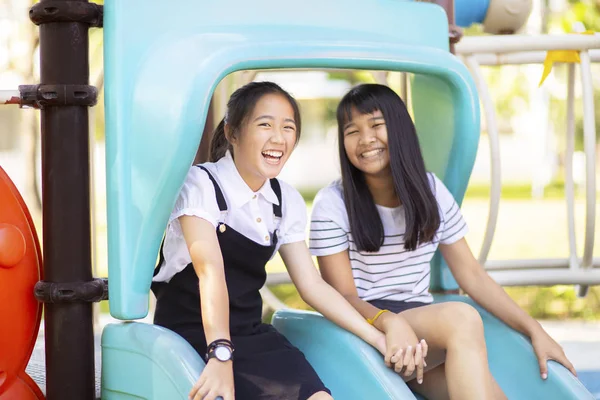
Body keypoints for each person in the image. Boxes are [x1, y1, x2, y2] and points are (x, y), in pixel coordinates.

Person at [151, 81, 423, 400]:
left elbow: (312, 287)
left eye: (288, 127)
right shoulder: (201, 184)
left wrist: (377, 339)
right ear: (232, 132)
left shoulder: (285, 200)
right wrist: (220, 355)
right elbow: (210, 272)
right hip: (191, 337)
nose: (278, 138)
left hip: (250, 337)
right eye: (265, 124)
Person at [309, 83, 577, 400]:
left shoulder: (431, 190)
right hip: (365, 332)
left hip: (423, 334)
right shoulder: (332, 203)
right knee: (460, 317)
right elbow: (341, 296)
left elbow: (472, 275)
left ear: (400, 129)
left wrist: (535, 331)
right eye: (352, 131)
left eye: (377, 125)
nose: (366, 139)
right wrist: (391, 323)